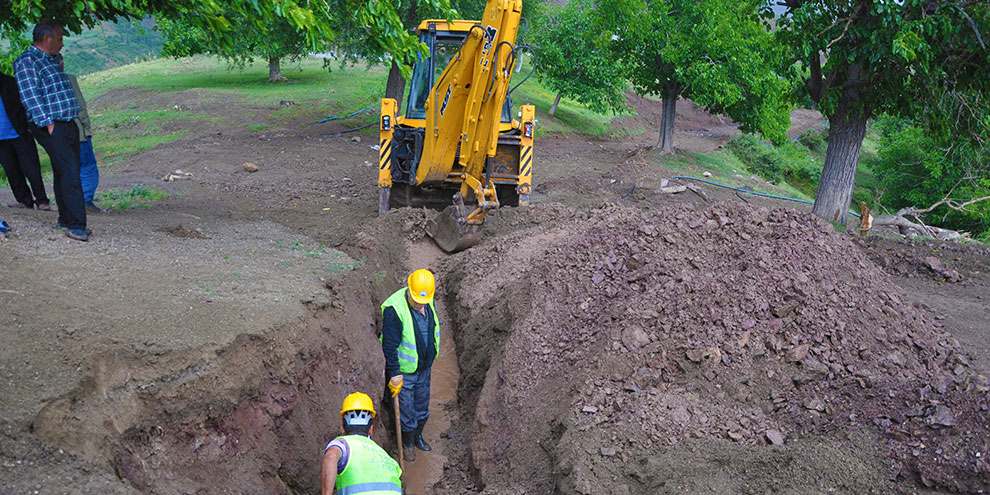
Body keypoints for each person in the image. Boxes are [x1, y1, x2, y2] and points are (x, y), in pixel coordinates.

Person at [14, 19, 89, 241]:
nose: (62, 44)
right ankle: (76, 225)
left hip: (66, 123)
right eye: (59, 39)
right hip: (51, 125)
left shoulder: (49, 59)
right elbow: (30, 96)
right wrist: (49, 125)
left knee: (63, 172)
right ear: (46, 39)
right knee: (70, 173)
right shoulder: (27, 61)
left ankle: (65, 219)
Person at [380, 268, 439, 462]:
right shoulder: (394, 310)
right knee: (406, 411)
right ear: (409, 289)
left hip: (424, 368)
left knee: (422, 407)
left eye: (423, 301)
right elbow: (389, 345)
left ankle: (418, 437)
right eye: (416, 301)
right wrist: (395, 373)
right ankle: (407, 444)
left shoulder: (425, 297)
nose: (420, 304)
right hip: (405, 373)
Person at [321, 392, 402, 495]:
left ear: (342, 429)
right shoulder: (386, 457)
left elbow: (331, 456)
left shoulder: (344, 444)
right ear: (371, 430)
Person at [56, 53, 100, 212]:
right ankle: (86, 199)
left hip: (55, 133)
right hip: (76, 130)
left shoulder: (40, 83)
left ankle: (69, 201)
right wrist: (86, 127)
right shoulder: (69, 79)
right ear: (61, 65)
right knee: (87, 165)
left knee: (65, 167)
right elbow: (80, 106)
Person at [0, 71, 50, 210]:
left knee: (31, 169)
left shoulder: (12, 82)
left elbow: (28, 103)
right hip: (1, 140)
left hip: (20, 133)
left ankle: (42, 200)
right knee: (11, 171)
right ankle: (24, 200)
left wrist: (29, 126)